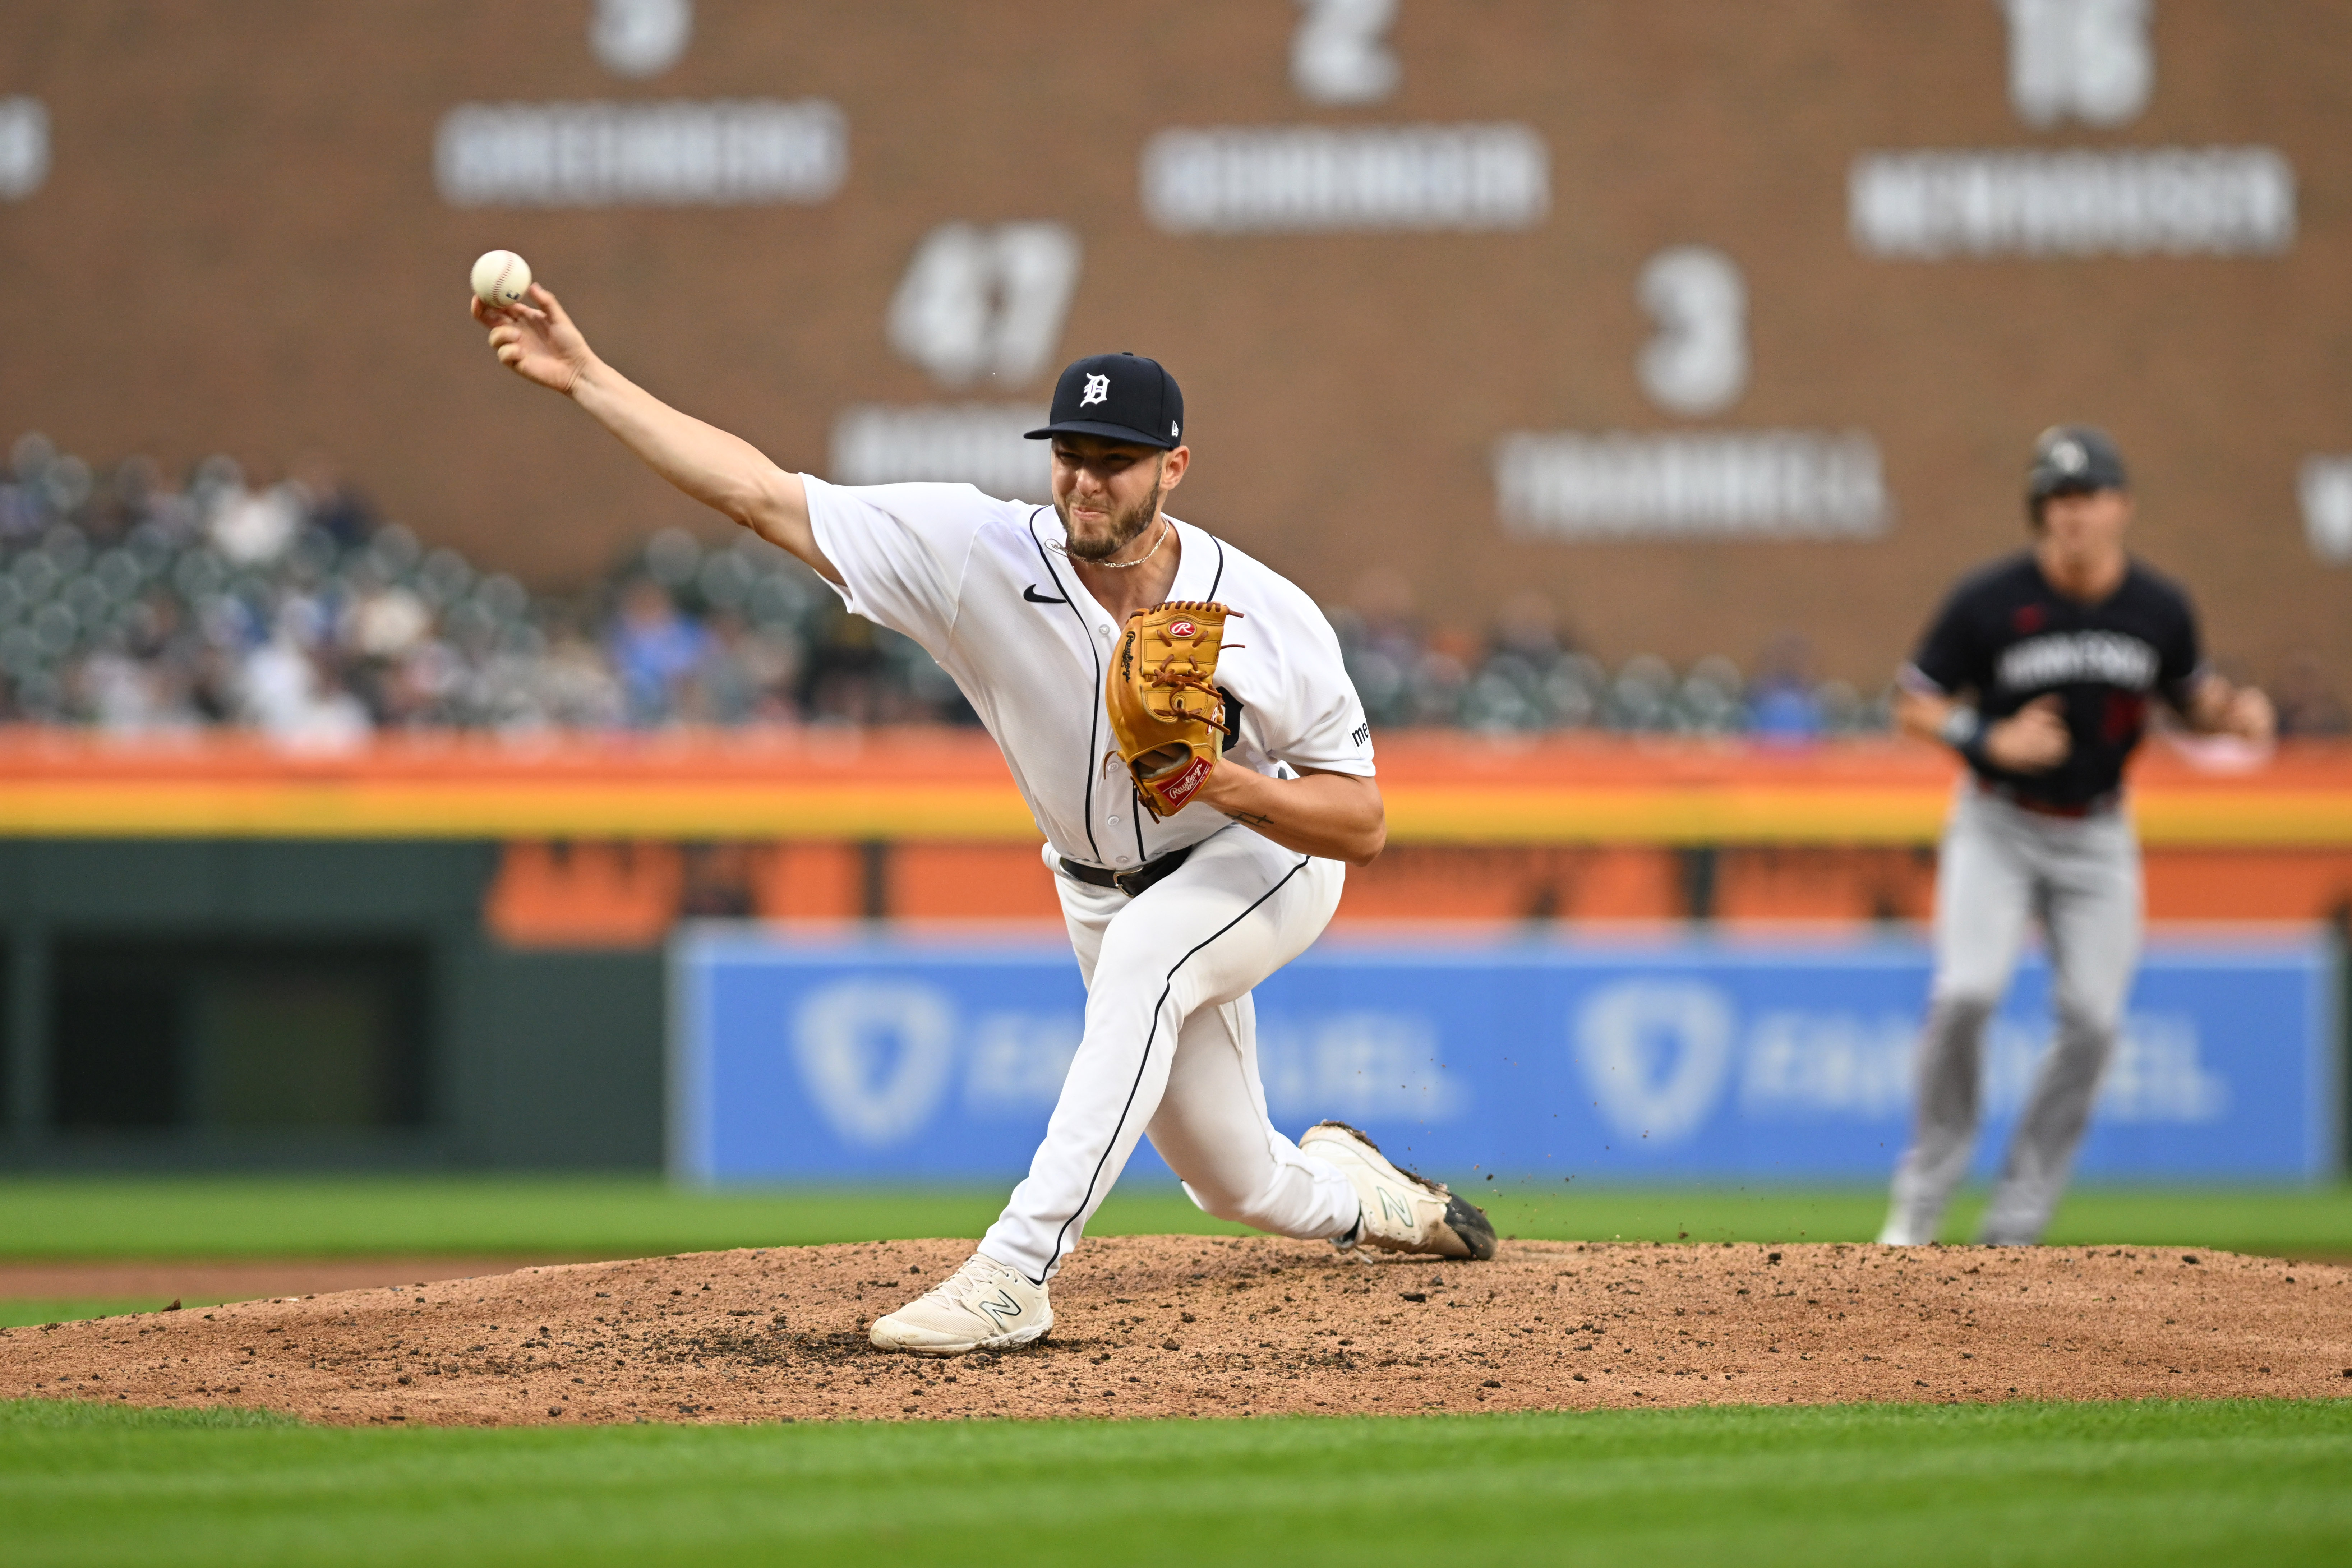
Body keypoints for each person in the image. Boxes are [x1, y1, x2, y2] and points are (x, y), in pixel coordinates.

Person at [471, 282, 1494, 1355]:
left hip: (1254, 857)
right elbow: (762, 496)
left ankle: (1014, 1272)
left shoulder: (1263, 612)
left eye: (1114, 458)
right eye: (1070, 453)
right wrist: (589, 378)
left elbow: (1362, 823)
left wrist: (1224, 786)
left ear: (1173, 468)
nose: (1085, 479)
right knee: (1240, 1184)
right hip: (1094, 884)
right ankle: (1371, 1196)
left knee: (1154, 953)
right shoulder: (979, 553)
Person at [1878, 426, 2274, 1246]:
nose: (2073, 514)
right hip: (1998, 821)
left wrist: (2233, 711)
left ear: (2121, 506)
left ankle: (2017, 1222)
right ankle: (1920, 1205)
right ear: (2040, 514)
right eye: (2057, 500)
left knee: (2094, 1022)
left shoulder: (2159, 608)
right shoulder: (1990, 600)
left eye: (2088, 496)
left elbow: (2189, 697)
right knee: (1967, 993)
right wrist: (1989, 737)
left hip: (2096, 833)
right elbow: (1912, 701)